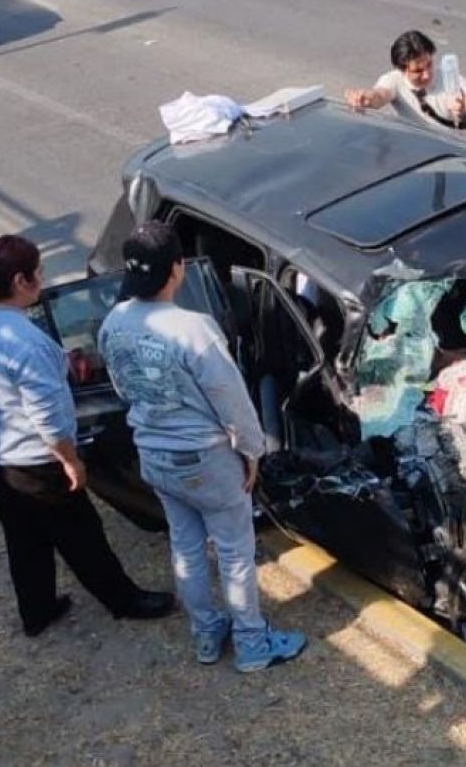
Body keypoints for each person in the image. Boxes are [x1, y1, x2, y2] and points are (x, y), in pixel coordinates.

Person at [98, 222, 306, 672]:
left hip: (153, 455)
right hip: (206, 460)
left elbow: (121, 386)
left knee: (186, 547)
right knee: (234, 554)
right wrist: (252, 451)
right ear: (177, 269)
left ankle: (207, 634)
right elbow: (232, 400)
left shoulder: (113, 322)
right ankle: (252, 643)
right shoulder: (194, 329)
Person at [0, 235, 175, 637]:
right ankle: (123, 600)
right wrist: (70, 461)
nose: (43, 278)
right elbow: (48, 419)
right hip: (35, 462)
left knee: (23, 536)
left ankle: (37, 610)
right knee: (81, 534)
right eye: (39, 272)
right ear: (21, 280)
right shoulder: (29, 344)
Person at [343, 29, 466, 131]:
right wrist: (365, 98)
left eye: (429, 65)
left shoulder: (451, 78)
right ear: (401, 70)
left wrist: (464, 112)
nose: (426, 75)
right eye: (418, 71)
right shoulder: (394, 80)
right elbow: (379, 95)